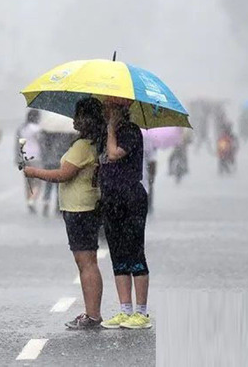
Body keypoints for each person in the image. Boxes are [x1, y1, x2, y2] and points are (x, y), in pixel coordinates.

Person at [23, 98, 106, 329]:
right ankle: (92, 312)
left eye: (79, 116)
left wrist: (34, 172)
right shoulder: (94, 143)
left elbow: (64, 174)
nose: (75, 120)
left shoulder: (82, 146)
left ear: (87, 119)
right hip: (86, 206)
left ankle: (93, 315)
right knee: (87, 262)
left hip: (80, 208)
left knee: (86, 262)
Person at [99, 97, 151, 330]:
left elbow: (113, 154)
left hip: (131, 198)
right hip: (111, 200)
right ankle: (124, 310)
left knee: (135, 253)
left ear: (120, 110)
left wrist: (111, 129)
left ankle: (141, 312)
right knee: (118, 255)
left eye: (109, 109)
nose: (105, 112)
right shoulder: (107, 132)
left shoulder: (130, 132)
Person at [16, 110, 43, 212]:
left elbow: (20, 143)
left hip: (24, 157)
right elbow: (42, 143)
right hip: (36, 157)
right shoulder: (37, 129)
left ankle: (28, 200)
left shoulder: (23, 129)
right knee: (38, 182)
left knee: (28, 182)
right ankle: (32, 200)